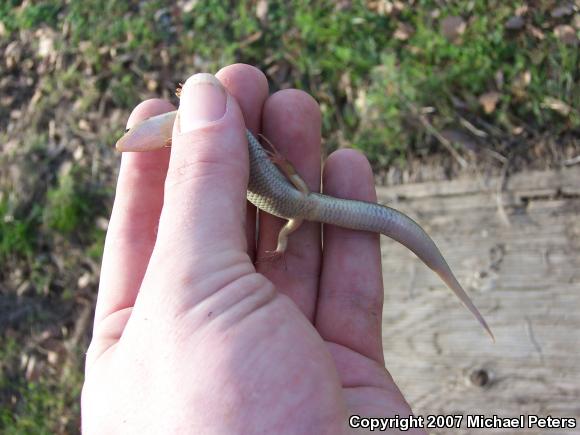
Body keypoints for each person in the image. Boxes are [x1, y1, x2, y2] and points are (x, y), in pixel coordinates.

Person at [81, 64, 424, 434]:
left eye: (134, 135)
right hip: (296, 200)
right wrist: (281, 170)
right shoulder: (183, 127)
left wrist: (280, 240)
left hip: (295, 206)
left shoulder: (184, 127)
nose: (130, 139)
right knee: (352, 206)